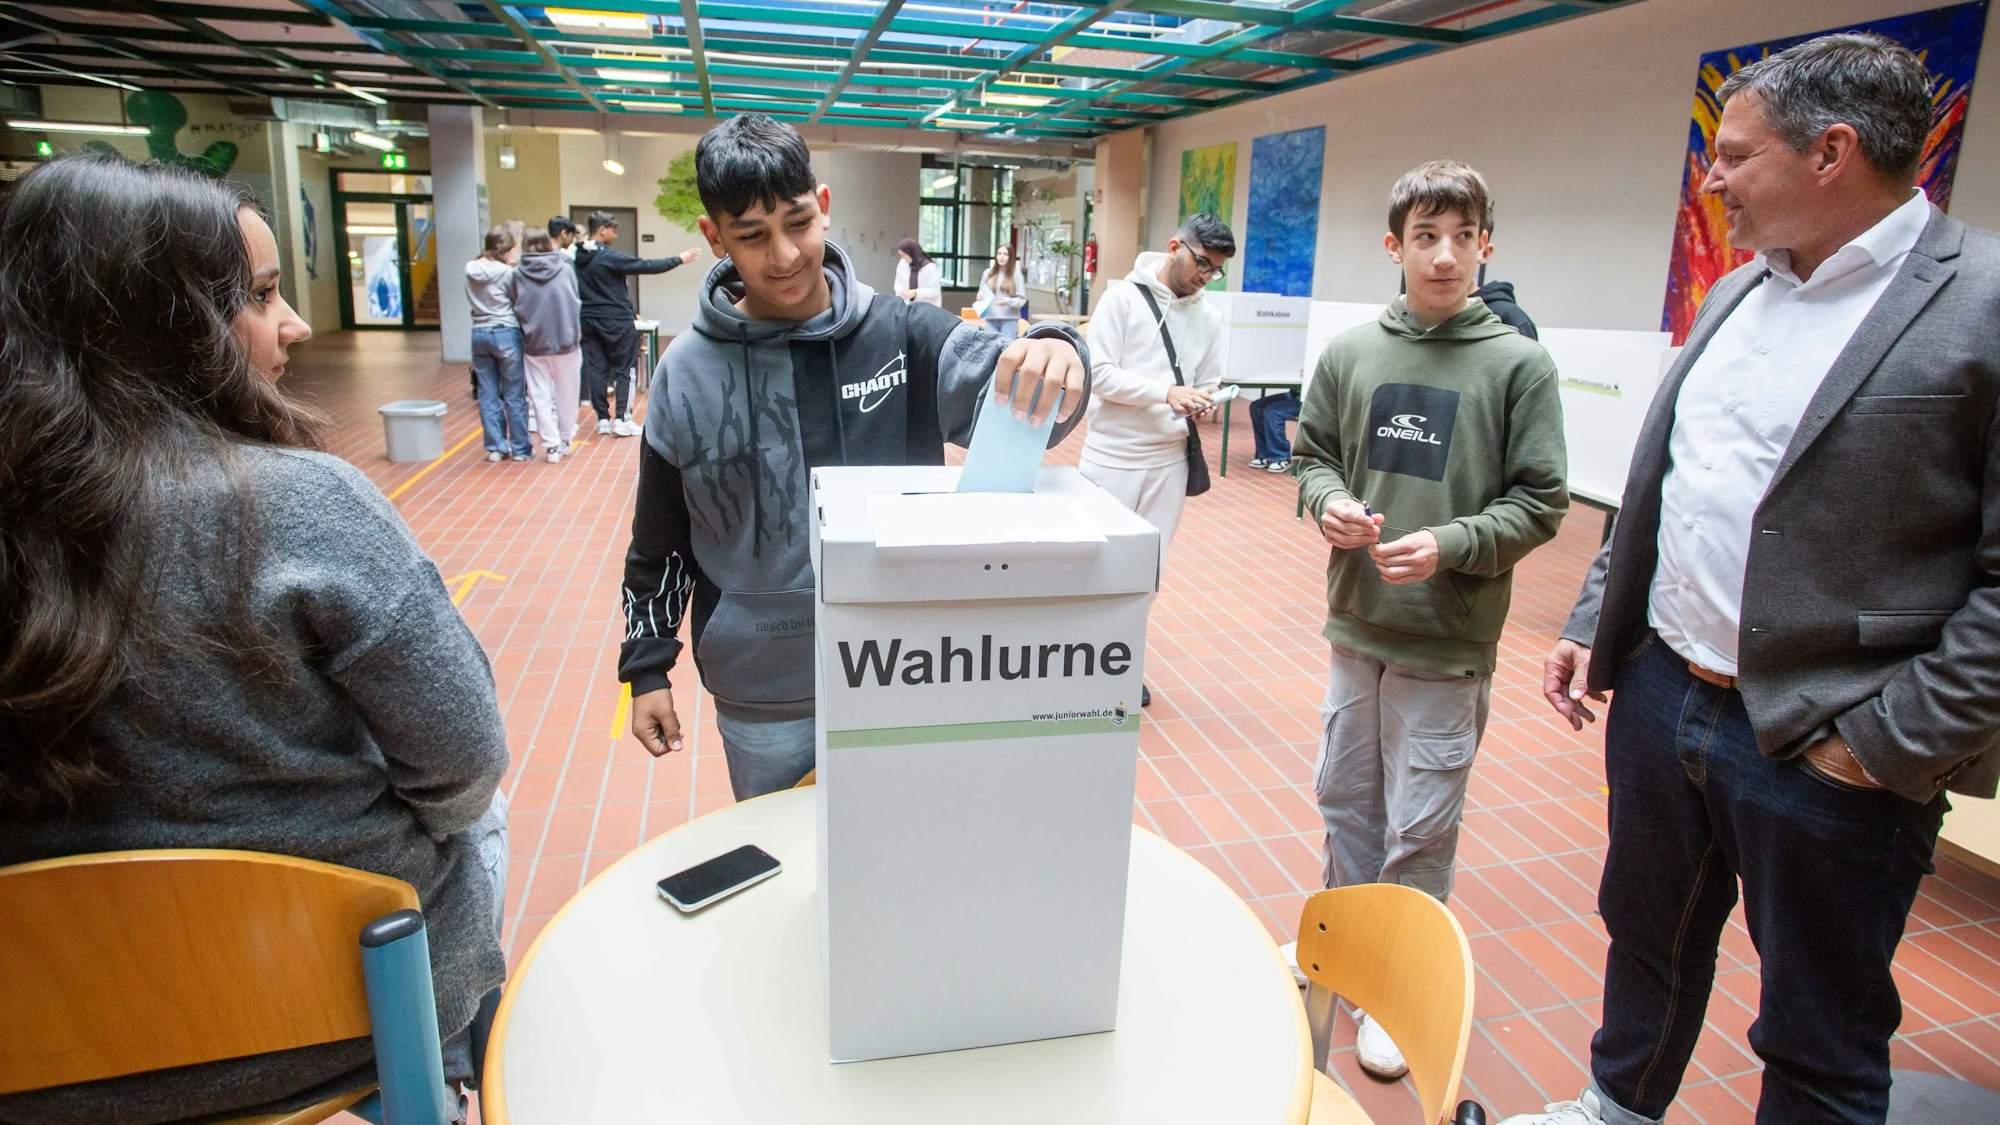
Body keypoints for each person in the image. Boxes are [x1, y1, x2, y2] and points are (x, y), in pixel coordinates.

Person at [1516, 34, 2000, 1125]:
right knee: (1646, 938)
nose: (1711, 177)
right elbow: (1672, 481)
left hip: (1829, 744)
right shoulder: (1737, 293)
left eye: (1733, 154)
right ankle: (1617, 1107)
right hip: (1660, 698)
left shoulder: (1982, 302)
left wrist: (1882, 747)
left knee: (1817, 1022)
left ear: (1829, 153)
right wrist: (1600, 621)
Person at [0, 156, 508, 1123]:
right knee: (484, 816)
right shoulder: (303, 507)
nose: (296, 325)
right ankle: (457, 1075)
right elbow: (464, 757)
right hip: (336, 1017)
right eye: (263, 296)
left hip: (44, 1046)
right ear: (160, 323)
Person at [618, 114, 1091, 800]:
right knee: (786, 870)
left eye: (798, 222)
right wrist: (648, 667)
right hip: (763, 696)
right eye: (752, 236)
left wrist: (1055, 348)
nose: (783, 254)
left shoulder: (903, 334)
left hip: (903, 672)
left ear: (825, 207)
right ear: (714, 237)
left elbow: (1028, 401)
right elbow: (658, 538)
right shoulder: (686, 371)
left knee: (904, 864)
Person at [1289, 160, 1568, 1082]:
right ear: (1395, 245)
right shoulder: (1351, 352)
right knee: (1344, 801)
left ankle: (1393, 984)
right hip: (1356, 624)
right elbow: (1314, 456)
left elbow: (1542, 501)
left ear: (1487, 243)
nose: (1444, 256)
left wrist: (1451, 543)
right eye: (1425, 237)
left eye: (1462, 237)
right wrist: (1326, 502)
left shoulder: (1517, 365)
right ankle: (1346, 949)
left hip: (1447, 642)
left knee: (1420, 824)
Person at [1076, 213, 1236, 708]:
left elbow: (1208, 379)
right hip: (1111, 456)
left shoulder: (1209, 317)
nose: (1205, 277)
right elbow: (1097, 373)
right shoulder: (1122, 299)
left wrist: (1206, 400)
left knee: (1148, 570)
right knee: (1094, 564)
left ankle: (1119, 662)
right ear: (1174, 247)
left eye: (1215, 271)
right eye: (1201, 263)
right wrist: (1164, 393)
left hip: (1169, 460)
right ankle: (1076, 662)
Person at [575, 210, 702, 438]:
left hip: (588, 321)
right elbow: (645, 265)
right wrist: (679, 259)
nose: (614, 234)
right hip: (617, 321)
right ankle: (622, 418)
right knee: (625, 369)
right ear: (602, 230)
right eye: (612, 229)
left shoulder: (577, 257)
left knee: (597, 369)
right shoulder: (609, 257)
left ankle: (603, 419)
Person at [514, 228, 583, 463]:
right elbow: (574, 301)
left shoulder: (517, 273)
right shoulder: (564, 268)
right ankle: (564, 438)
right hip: (566, 340)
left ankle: (551, 445)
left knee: (540, 395)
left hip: (534, 342)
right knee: (568, 392)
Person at [466, 225, 531, 462]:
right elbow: (518, 300)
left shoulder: (470, 269)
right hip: (506, 332)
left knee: (488, 391)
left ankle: (495, 447)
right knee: (514, 393)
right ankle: (521, 449)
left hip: (479, 332)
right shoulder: (507, 273)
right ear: (504, 249)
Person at [975, 244, 1027, 335]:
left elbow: (1022, 300)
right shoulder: (988, 273)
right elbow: (980, 294)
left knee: (1007, 347)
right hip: (991, 319)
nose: (1001, 257)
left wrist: (1007, 301)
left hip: (1009, 319)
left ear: (1010, 257)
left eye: (1005, 254)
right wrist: (980, 296)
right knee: (991, 347)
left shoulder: (1016, 275)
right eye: (999, 254)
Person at [1247, 389, 1299, 472]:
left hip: (1307, 399)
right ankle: (1264, 454)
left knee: (1272, 412)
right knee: (1256, 407)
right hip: (1294, 394)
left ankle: (1281, 457)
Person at [894, 236, 942, 306]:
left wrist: (915, 292)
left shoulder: (929, 267)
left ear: (912, 253)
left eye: (904, 255)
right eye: (901, 255)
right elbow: (898, 283)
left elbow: (934, 290)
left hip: (927, 308)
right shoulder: (902, 264)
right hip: (907, 306)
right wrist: (901, 292)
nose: (902, 258)